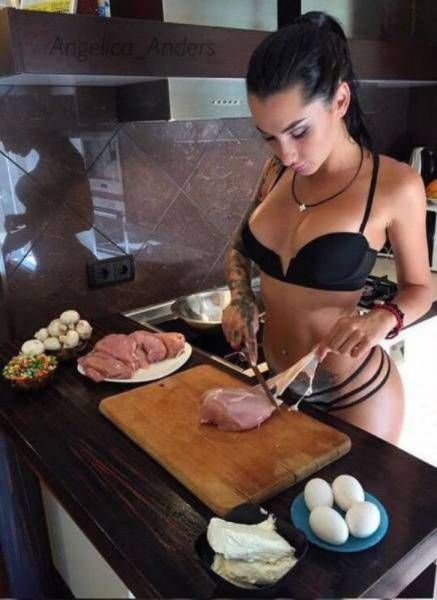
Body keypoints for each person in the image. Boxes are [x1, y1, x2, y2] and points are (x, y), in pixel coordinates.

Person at [222, 11, 432, 444]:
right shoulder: (275, 173)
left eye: (299, 131)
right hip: (278, 386)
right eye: (269, 137)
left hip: (354, 396)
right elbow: (240, 247)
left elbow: (420, 288)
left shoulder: (394, 185)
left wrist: (384, 318)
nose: (286, 154)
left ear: (339, 101)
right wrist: (240, 299)